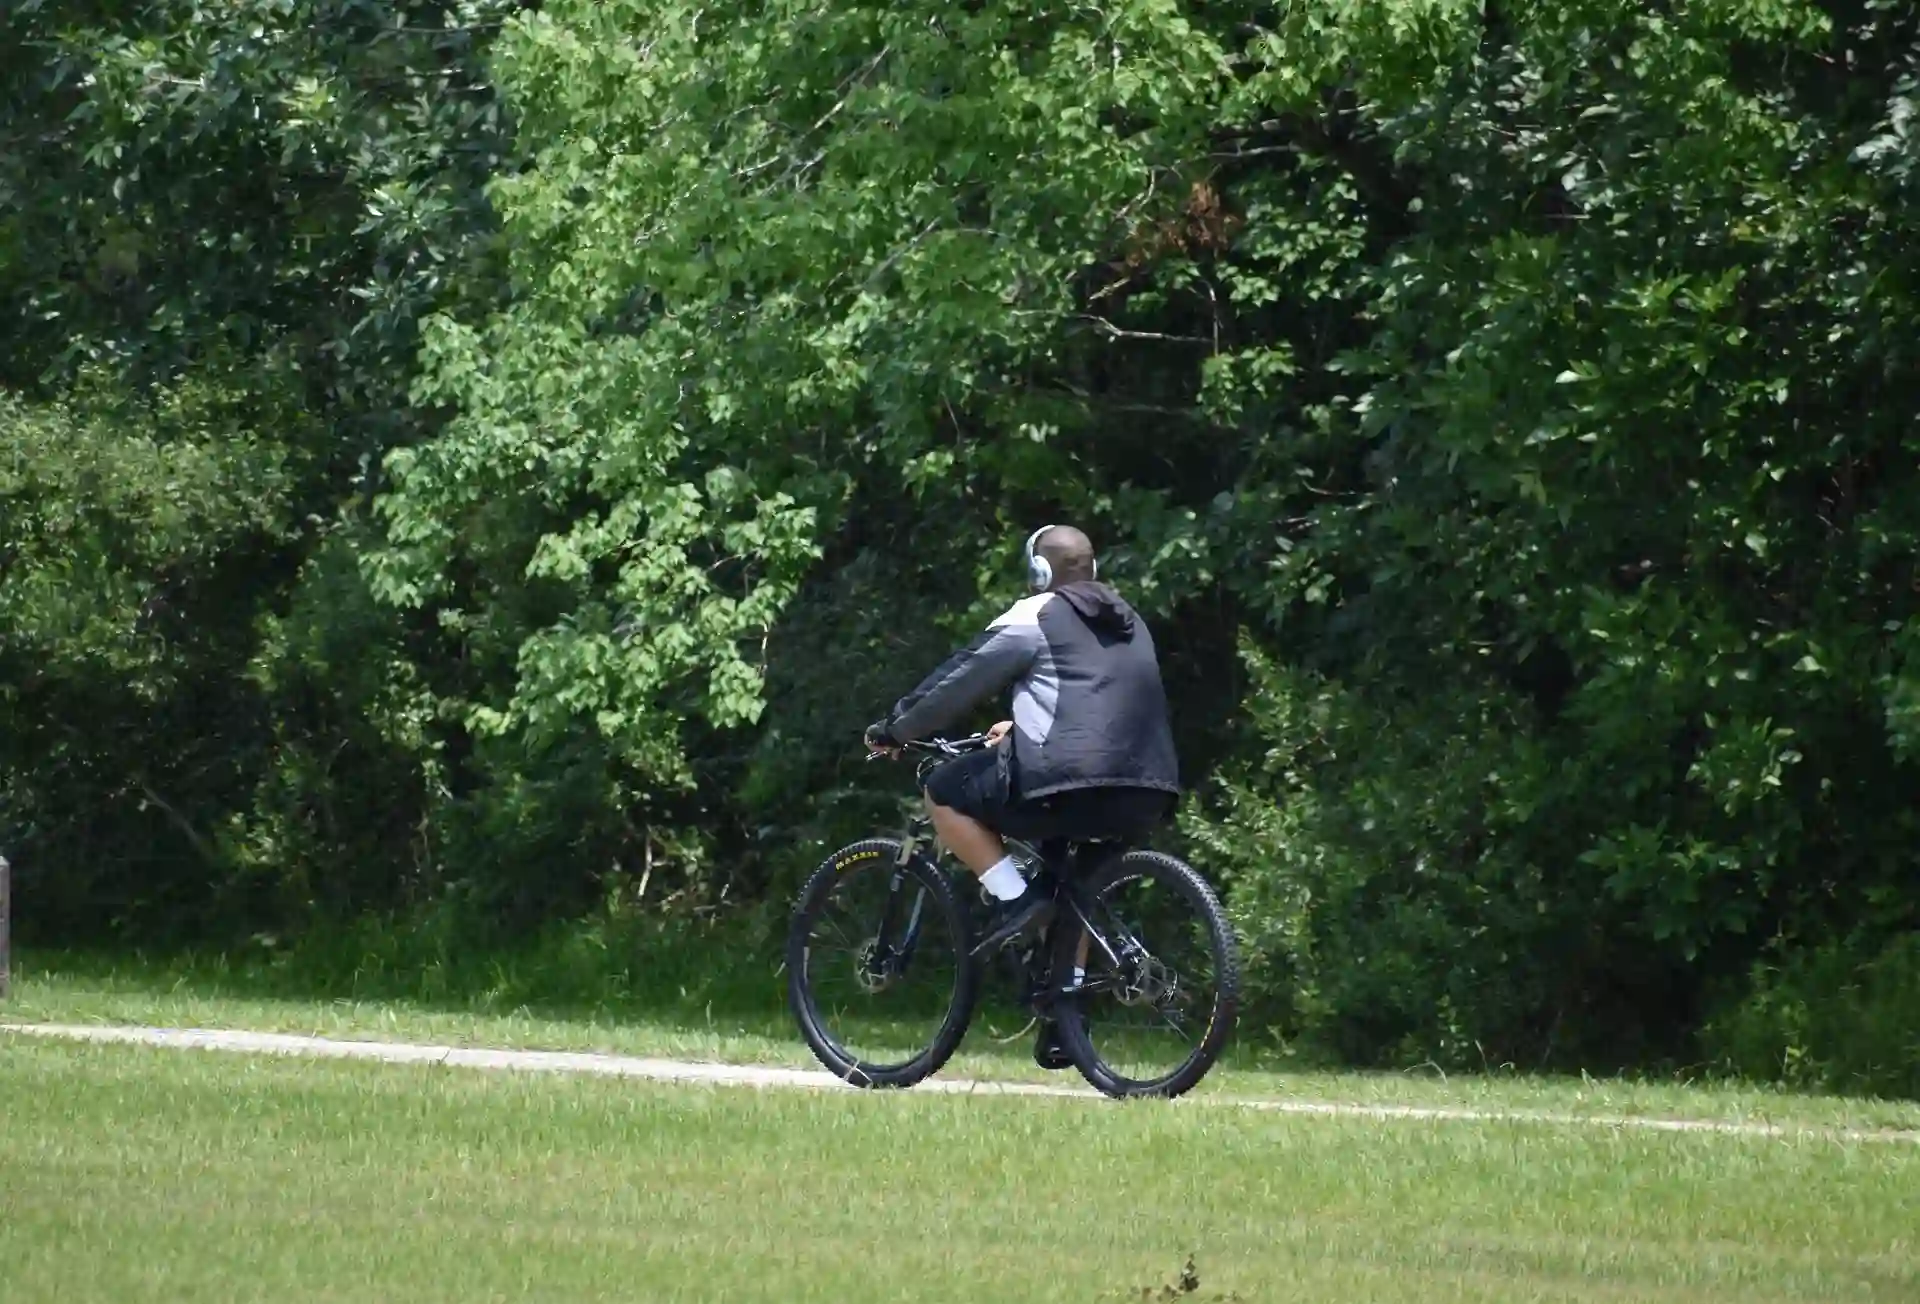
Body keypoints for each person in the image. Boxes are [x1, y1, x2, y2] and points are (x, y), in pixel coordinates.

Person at [864, 524, 1180, 1068]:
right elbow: (1092, 702)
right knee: (1074, 884)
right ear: (1094, 570)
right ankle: (1065, 1017)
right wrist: (1022, 728)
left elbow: (959, 680)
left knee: (943, 789)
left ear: (1040, 572)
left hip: (1067, 784)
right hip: (1148, 785)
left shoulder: (1034, 616)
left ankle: (1016, 899)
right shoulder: (1130, 621)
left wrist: (896, 729)